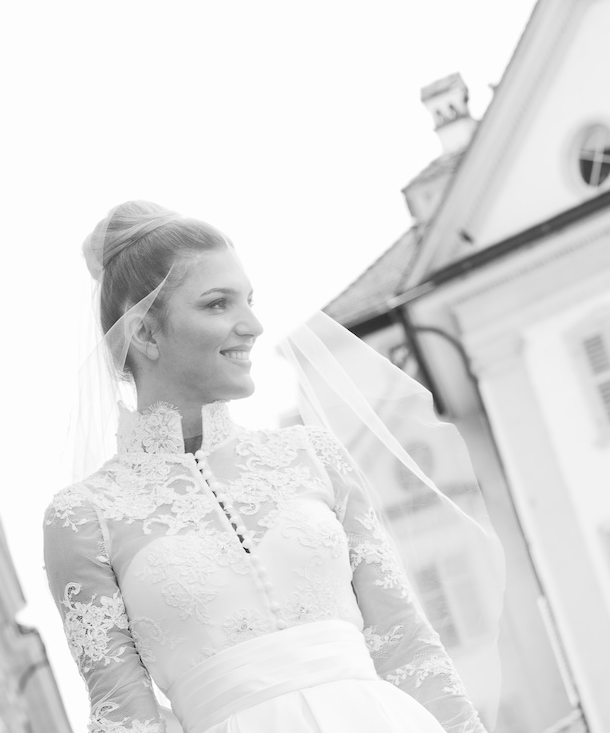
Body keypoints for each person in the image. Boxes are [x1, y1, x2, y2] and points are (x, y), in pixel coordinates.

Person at [44, 201, 491, 733]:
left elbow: (408, 646)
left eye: (249, 301)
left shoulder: (313, 457)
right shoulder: (83, 518)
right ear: (144, 333)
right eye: (217, 304)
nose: (253, 325)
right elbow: (123, 714)